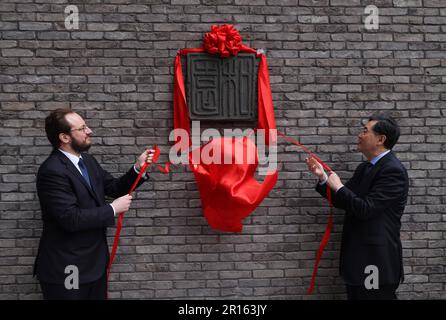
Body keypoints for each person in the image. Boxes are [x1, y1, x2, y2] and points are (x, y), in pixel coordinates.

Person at [33, 108, 155, 300]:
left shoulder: (88, 161)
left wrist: (137, 168)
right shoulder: (52, 171)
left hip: (94, 266)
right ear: (65, 137)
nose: (89, 131)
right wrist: (113, 208)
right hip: (68, 268)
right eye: (82, 128)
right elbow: (70, 219)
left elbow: (114, 187)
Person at [306, 113, 409, 300]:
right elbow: (344, 201)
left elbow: (365, 209)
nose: (359, 135)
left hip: (374, 261)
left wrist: (338, 186)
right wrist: (323, 178)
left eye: (365, 131)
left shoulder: (393, 170)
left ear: (381, 139)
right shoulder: (365, 168)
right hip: (356, 261)